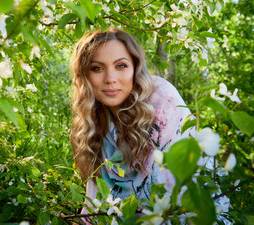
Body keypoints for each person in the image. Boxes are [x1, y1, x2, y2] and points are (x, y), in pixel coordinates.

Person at [69, 28, 193, 208]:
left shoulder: (162, 101)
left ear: (135, 68)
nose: (110, 79)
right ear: (85, 76)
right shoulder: (90, 121)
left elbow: (172, 189)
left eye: (121, 66)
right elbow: (96, 196)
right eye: (97, 68)